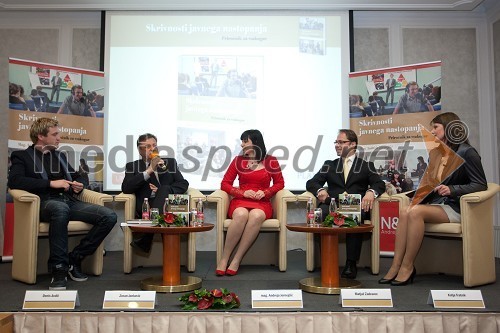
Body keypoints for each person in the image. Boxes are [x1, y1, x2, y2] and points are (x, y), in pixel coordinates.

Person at [8, 118, 117, 290]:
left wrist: (80, 184)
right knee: (59, 208)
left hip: (69, 201)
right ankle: (59, 269)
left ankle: (75, 258)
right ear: (40, 136)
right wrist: (51, 184)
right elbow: (15, 181)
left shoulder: (60, 156)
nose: (59, 138)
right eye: (55, 134)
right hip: (44, 203)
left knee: (109, 215)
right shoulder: (22, 156)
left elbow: (77, 176)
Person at [379, 112, 487, 286]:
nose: (432, 131)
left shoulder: (468, 152)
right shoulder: (436, 153)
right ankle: (395, 265)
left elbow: (480, 184)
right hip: (438, 205)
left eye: (436, 127)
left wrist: (452, 189)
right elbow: (430, 183)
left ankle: (407, 266)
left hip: (456, 206)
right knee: (405, 211)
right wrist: (415, 194)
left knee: (415, 212)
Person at [306, 129, 385, 279]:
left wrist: (371, 192)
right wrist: (320, 190)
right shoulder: (330, 164)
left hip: (355, 206)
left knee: (354, 214)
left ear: (353, 144)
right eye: (336, 142)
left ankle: (351, 263)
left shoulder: (366, 165)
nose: (337, 145)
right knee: (321, 213)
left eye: (341, 142)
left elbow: (379, 184)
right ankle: (327, 261)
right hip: (332, 205)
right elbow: (312, 182)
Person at [216, 129, 284, 276]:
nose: (242, 145)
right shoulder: (238, 161)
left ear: (256, 142)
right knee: (240, 214)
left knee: (256, 216)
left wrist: (266, 192)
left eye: (245, 141)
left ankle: (236, 259)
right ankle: (224, 258)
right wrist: (241, 192)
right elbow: (225, 184)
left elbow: (279, 183)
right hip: (241, 200)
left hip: (262, 203)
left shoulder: (271, 160)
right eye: (242, 141)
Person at [121, 133, 189, 253]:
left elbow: (183, 184)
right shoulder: (132, 166)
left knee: (164, 189)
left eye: (154, 145)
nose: (152, 149)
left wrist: (163, 191)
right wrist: (149, 170)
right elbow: (126, 188)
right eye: (147, 146)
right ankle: (167, 254)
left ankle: (146, 237)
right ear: (139, 150)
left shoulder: (170, 162)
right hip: (147, 205)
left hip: (171, 204)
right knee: (164, 210)